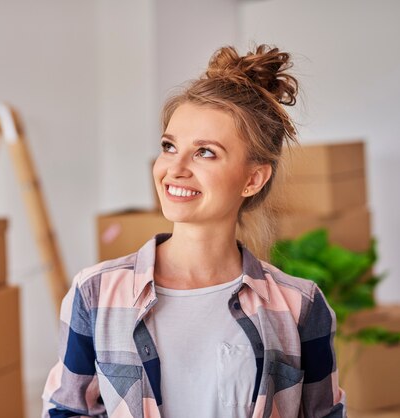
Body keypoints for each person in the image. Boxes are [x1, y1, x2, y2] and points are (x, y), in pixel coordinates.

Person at [41, 44, 346, 418]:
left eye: (205, 152)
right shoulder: (95, 294)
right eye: (169, 146)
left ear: (252, 178)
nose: (175, 168)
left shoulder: (300, 307)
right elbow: (66, 410)